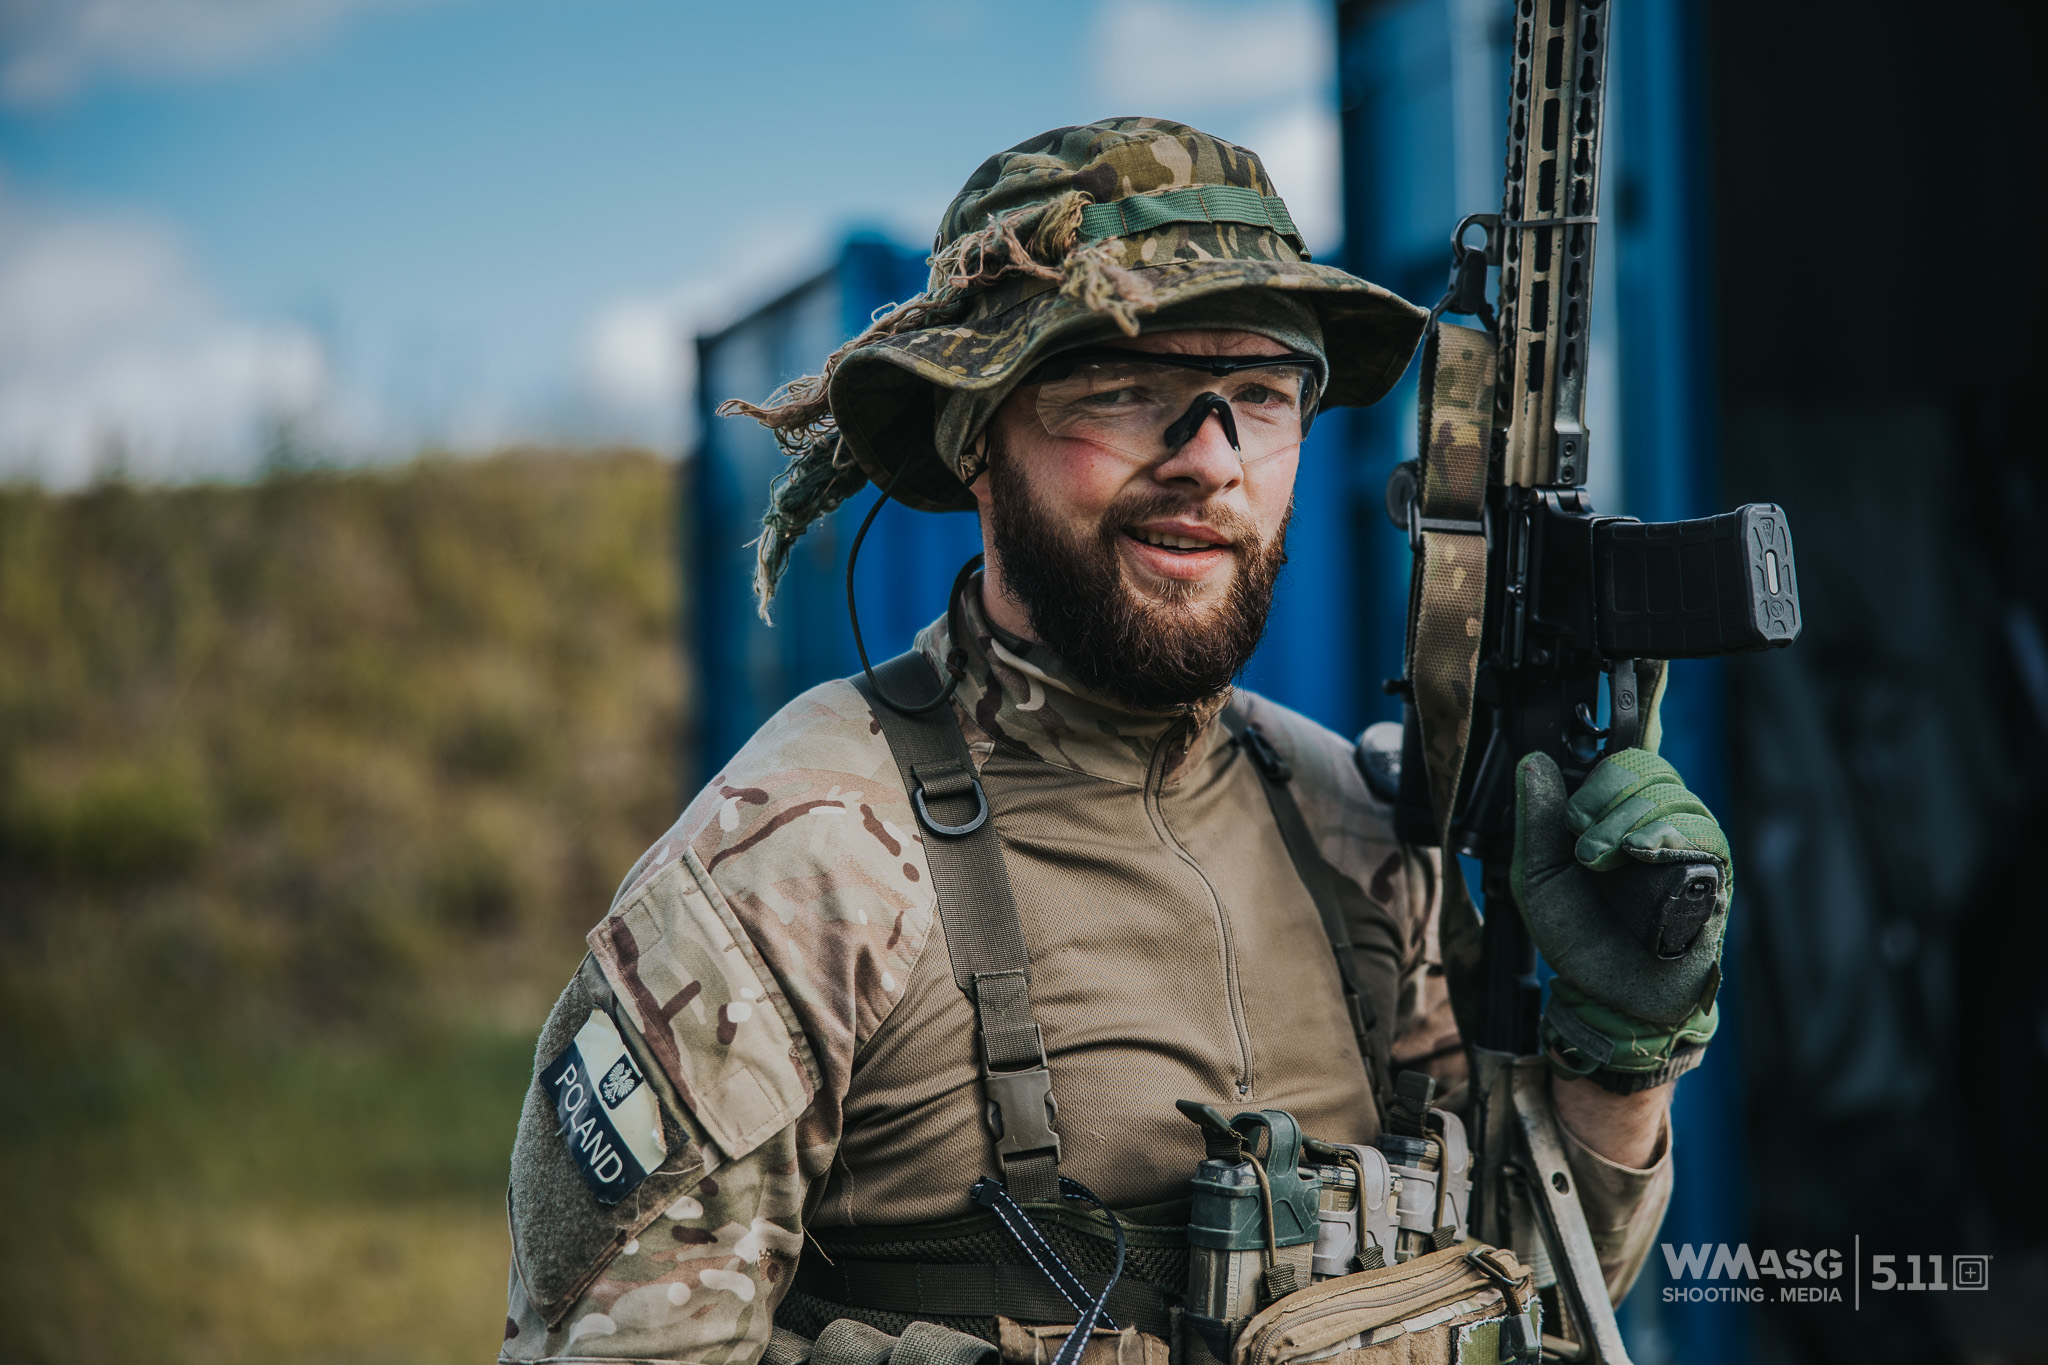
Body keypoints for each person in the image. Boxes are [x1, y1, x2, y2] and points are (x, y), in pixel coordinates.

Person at [500, 118, 1727, 1365]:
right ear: (974, 434)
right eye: (1123, 390)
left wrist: (1617, 1066)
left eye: (1261, 397)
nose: (1209, 460)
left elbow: (1521, 1297)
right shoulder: (805, 862)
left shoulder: (1353, 828)